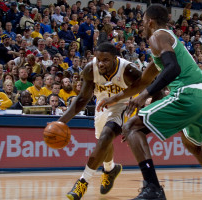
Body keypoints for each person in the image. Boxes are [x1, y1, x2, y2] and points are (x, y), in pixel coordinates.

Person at [97, 4, 202, 200]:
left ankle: (152, 188)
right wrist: (116, 98)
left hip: (189, 93)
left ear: (150, 22)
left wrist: (145, 95)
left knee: (132, 127)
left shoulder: (157, 36)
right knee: (193, 144)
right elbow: (143, 81)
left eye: (143, 22)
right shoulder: (165, 44)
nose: (142, 26)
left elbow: (173, 69)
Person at [56, 43, 141, 200]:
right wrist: (61, 122)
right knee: (103, 142)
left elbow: (146, 89)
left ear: (115, 59)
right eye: (98, 59)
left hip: (124, 105)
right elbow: (82, 98)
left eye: (106, 60)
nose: (101, 63)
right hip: (102, 105)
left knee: (106, 136)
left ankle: (83, 181)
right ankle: (110, 169)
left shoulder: (128, 70)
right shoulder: (90, 69)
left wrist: (139, 121)